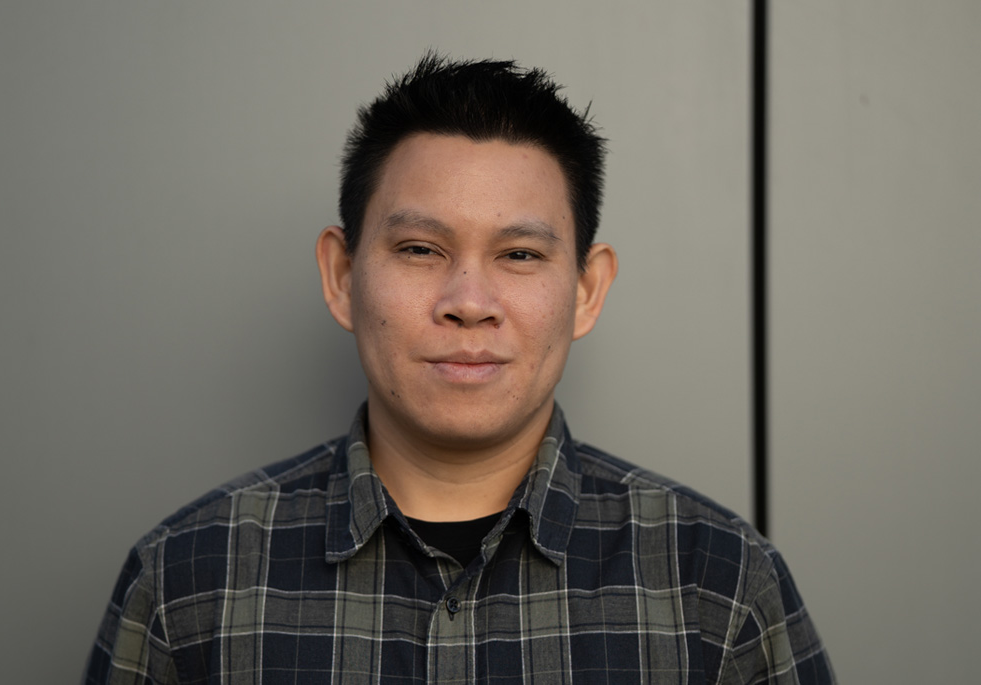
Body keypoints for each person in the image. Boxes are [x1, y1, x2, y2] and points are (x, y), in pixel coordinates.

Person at [84, 53, 834, 684]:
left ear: (585, 289)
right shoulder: (188, 580)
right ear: (342, 275)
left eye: (518, 255)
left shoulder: (719, 584)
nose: (468, 303)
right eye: (419, 249)